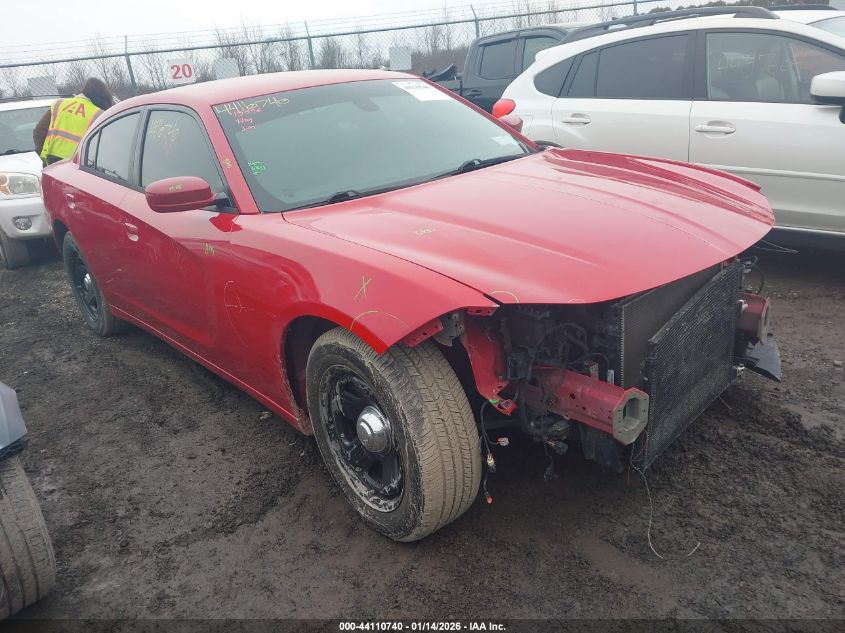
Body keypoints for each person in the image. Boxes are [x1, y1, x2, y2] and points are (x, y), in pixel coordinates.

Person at [33, 78, 113, 166]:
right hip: (84, 165)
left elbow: (39, 132)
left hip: (54, 162)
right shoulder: (98, 114)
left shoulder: (59, 104)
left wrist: (45, 159)